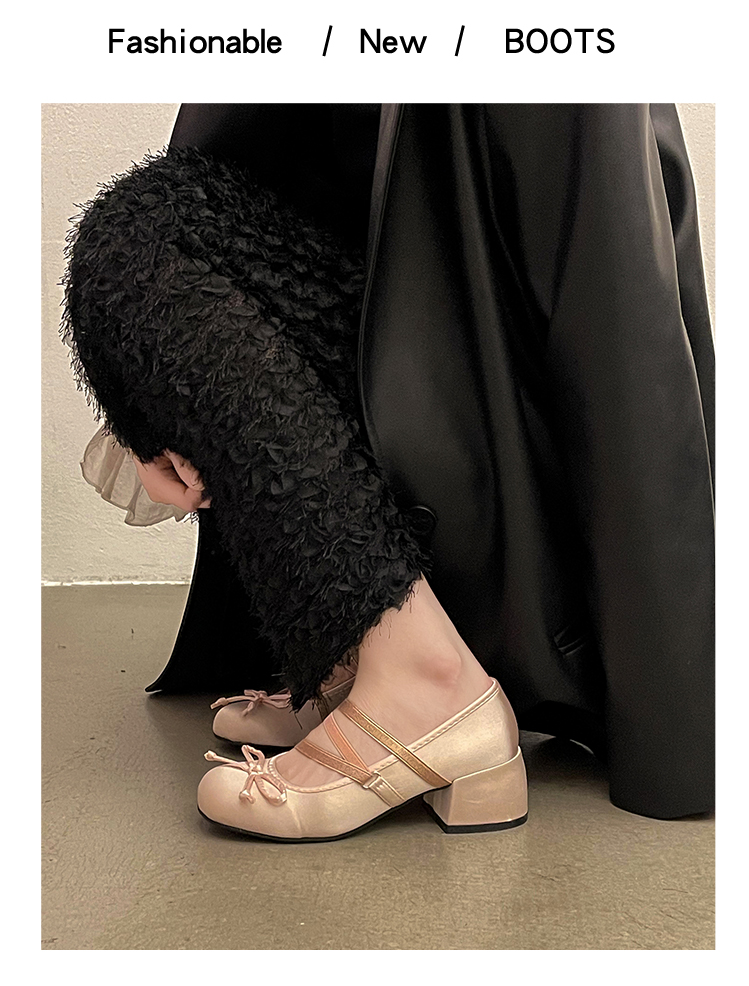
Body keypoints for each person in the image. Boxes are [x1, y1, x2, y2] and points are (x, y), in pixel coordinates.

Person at [69, 104, 715, 828]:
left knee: (141, 240)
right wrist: (151, 405)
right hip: (404, 380)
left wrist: (673, 710)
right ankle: (363, 657)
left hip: (495, 430)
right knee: (144, 232)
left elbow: (618, 297)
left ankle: (428, 680)